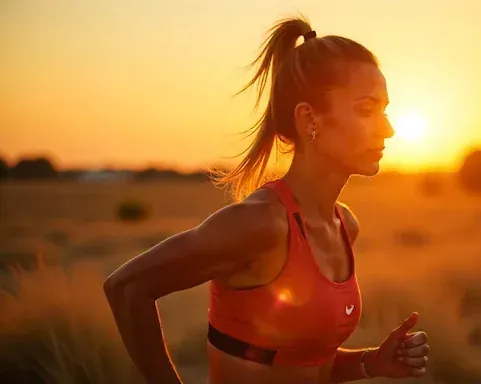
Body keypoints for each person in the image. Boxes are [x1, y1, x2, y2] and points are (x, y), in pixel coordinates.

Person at [103, 15, 430, 384]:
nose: (388, 128)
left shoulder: (344, 225)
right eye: (367, 109)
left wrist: (371, 363)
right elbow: (127, 287)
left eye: (384, 110)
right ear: (309, 119)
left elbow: (299, 363)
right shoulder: (259, 224)